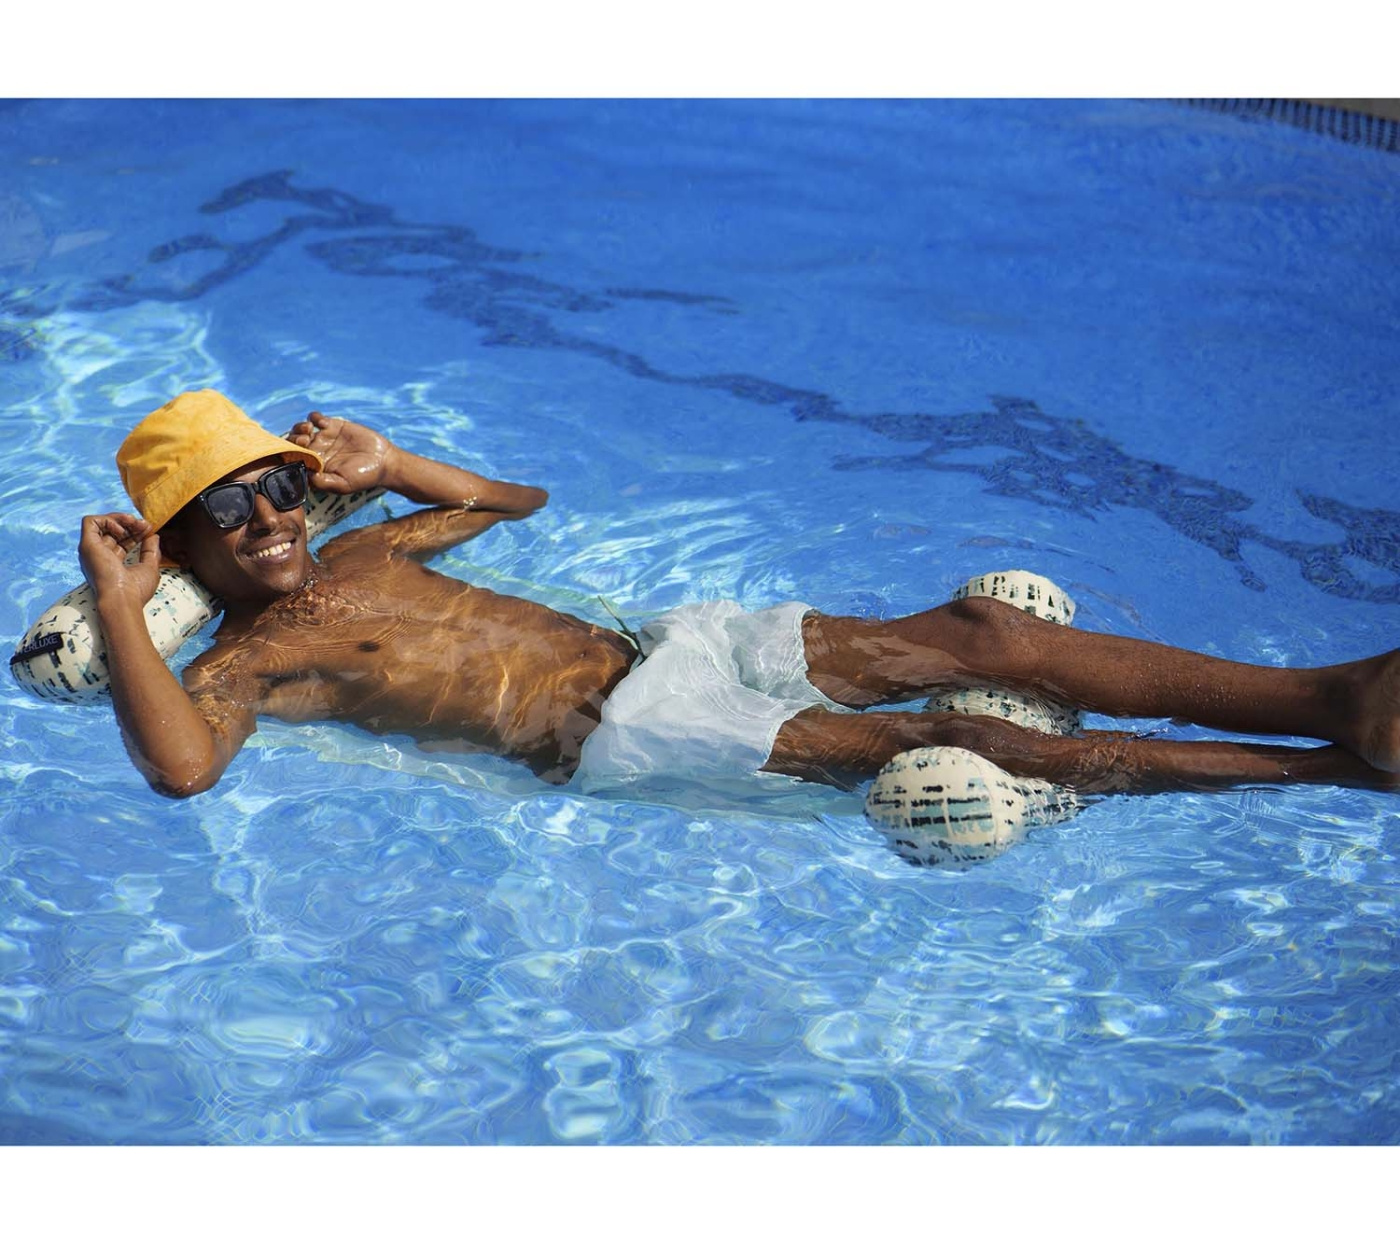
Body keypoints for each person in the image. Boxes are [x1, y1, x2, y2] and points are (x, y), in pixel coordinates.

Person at [78, 390, 1400, 801]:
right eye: (229, 508)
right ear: (177, 544)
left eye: (278, 486)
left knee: (982, 635)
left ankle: (1339, 694)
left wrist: (389, 465)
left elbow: (513, 503)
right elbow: (183, 770)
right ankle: (1335, 772)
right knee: (954, 737)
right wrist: (122, 610)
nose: (270, 519)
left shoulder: (367, 552)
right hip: (628, 733)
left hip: (667, 647)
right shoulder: (244, 666)